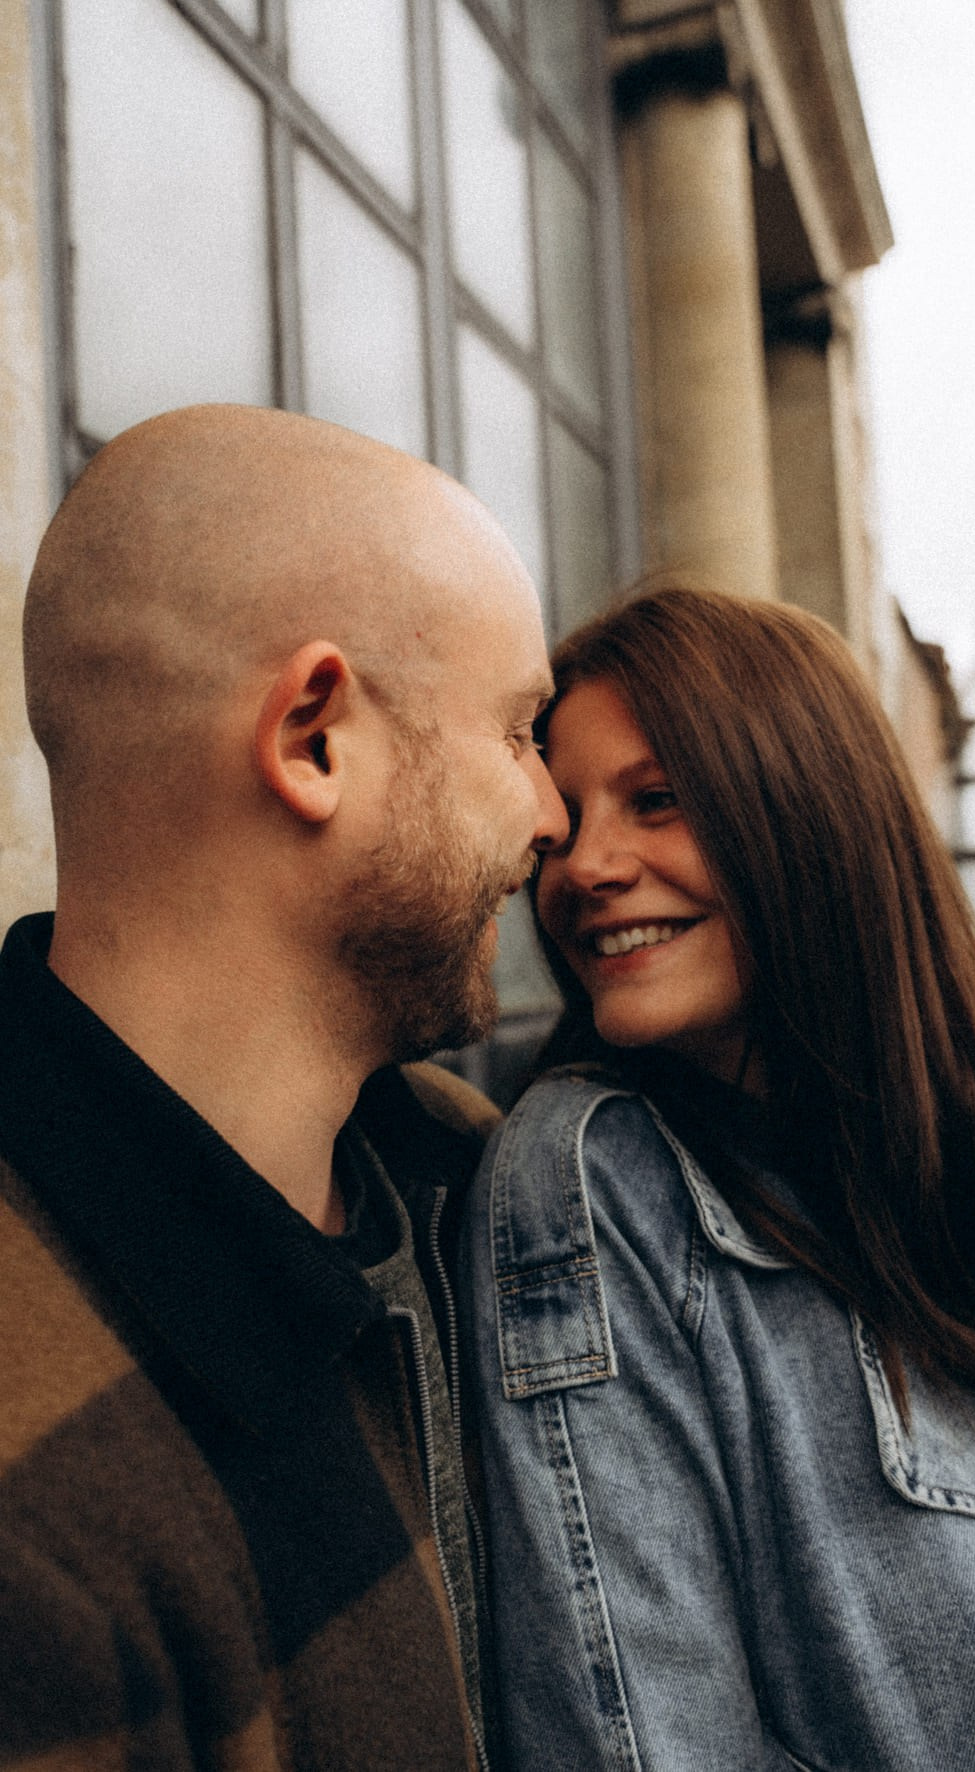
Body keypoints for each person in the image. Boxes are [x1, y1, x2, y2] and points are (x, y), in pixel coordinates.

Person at [463, 581, 975, 1770]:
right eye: (563, 823)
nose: (584, 866)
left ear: (805, 813)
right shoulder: (596, 1185)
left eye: (657, 801)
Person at [0, 403, 567, 1770]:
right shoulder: (39, 1515)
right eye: (517, 736)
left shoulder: (472, 1189)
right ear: (314, 736)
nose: (552, 821)